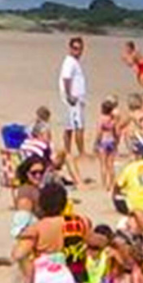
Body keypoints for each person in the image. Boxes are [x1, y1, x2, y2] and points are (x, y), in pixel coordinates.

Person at [56, 37, 88, 182]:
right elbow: (66, 79)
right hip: (72, 100)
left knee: (69, 127)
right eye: (75, 48)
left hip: (74, 99)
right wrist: (69, 95)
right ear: (70, 48)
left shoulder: (73, 62)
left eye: (79, 48)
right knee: (78, 127)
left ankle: (68, 151)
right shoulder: (69, 62)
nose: (77, 51)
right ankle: (81, 152)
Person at [93, 98, 122, 187]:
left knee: (103, 165)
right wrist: (117, 141)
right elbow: (117, 132)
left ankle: (104, 185)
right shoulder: (113, 120)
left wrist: (96, 142)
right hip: (111, 141)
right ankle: (112, 183)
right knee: (110, 165)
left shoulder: (101, 119)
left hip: (103, 142)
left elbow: (99, 132)